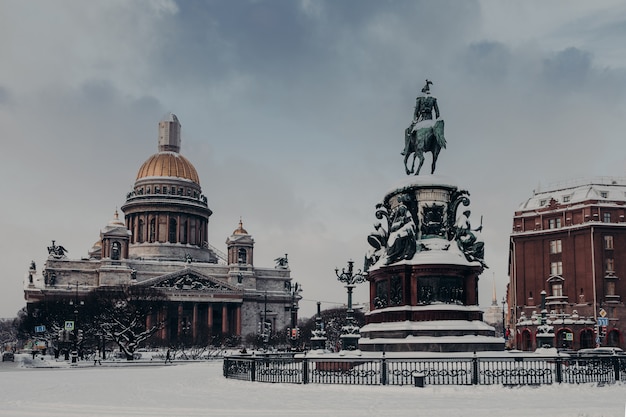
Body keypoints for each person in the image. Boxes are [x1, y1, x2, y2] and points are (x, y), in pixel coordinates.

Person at [402, 80, 440, 156]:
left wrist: (414, 120)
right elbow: (437, 112)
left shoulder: (419, 99)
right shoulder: (433, 99)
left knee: (407, 131)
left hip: (421, 119)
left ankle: (406, 149)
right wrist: (437, 121)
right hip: (430, 119)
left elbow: (416, 111)